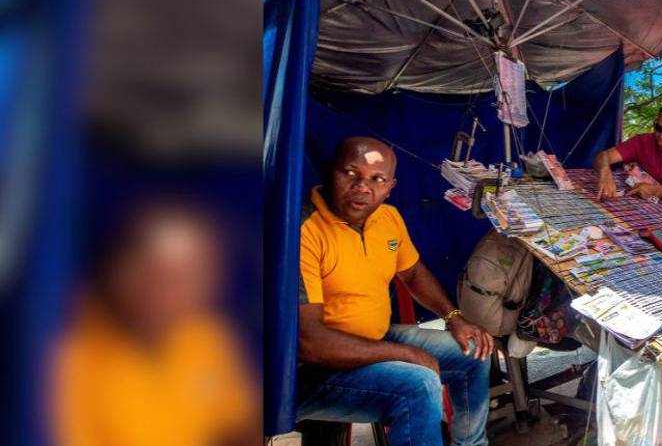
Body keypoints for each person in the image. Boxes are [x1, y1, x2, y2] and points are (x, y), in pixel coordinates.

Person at [296, 137, 496, 446]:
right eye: (351, 173)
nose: (363, 187)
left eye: (377, 179)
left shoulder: (387, 218)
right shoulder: (304, 229)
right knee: (419, 385)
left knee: (473, 351)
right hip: (314, 372)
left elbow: (413, 273)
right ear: (331, 172)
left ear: (390, 186)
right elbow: (310, 343)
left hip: (373, 341)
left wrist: (454, 317)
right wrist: (408, 354)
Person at [52, 201, 256, 446]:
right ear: (118, 270)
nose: (169, 293)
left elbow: (237, 424)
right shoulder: (69, 350)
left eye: (188, 278)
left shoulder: (205, 335)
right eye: (156, 274)